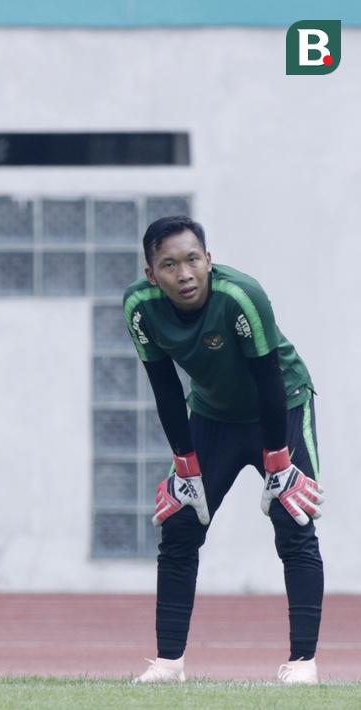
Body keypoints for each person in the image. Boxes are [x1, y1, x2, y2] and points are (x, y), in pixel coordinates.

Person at [125, 216, 325, 684]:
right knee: (179, 526)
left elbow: (269, 379)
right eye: (169, 265)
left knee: (292, 520)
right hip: (213, 417)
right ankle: (169, 663)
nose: (185, 274)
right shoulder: (139, 307)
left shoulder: (241, 296)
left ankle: (303, 664)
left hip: (281, 409)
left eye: (193, 259)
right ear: (152, 274)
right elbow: (165, 389)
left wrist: (279, 464)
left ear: (209, 260)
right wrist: (184, 466)